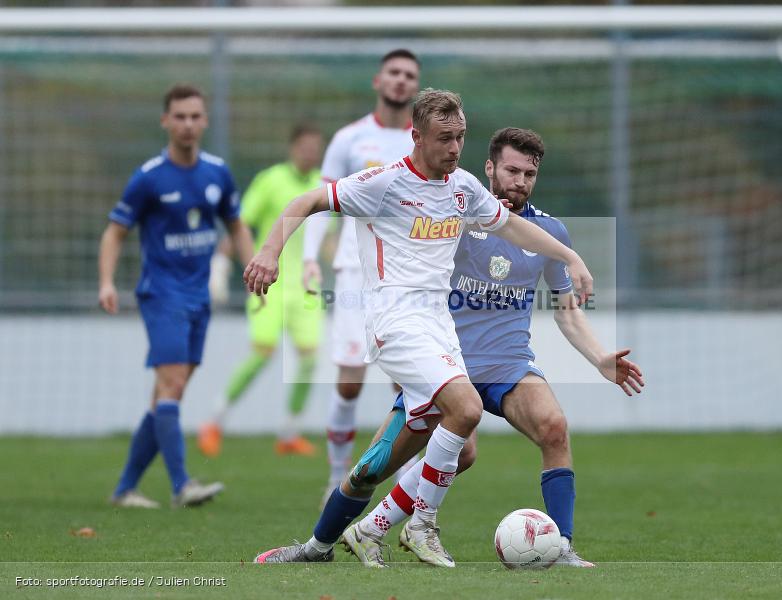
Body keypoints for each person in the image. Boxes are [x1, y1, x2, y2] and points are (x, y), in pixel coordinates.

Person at [245, 88, 593, 567]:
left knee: (378, 464)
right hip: (395, 322)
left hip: (438, 330)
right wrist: (269, 252)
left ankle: (322, 545)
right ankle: (422, 525)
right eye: (445, 138)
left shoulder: (463, 187)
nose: (454, 148)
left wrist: (569, 255)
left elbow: (511, 228)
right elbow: (306, 201)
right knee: (466, 409)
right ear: (417, 136)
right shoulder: (383, 183)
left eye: (461, 137)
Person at [341, 128, 644, 568]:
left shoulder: (549, 234)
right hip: (447, 361)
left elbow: (566, 311)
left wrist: (599, 357)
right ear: (489, 168)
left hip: (508, 365)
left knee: (554, 428)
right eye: (512, 170)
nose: (520, 180)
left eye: (529, 173)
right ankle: (367, 527)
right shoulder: (452, 219)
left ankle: (560, 548)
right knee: (442, 457)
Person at [99, 83, 255, 508]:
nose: (187, 124)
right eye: (179, 116)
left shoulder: (216, 172)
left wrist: (254, 269)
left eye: (194, 116)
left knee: (168, 393)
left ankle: (124, 489)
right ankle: (181, 485)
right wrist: (106, 282)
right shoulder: (149, 178)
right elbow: (115, 232)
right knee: (170, 385)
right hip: (162, 295)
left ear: (204, 121)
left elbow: (237, 225)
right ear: (166, 121)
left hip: (198, 297)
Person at [302, 49, 421, 497]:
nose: (400, 80)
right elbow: (319, 204)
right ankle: (336, 477)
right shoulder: (349, 139)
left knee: (409, 386)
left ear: (416, 86)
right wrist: (311, 257)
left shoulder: (421, 141)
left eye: (409, 75)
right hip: (355, 272)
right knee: (350, 381)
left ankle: (404, 486)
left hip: (407, 279)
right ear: (378, 80)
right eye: (394, 72)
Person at [198, 124, 325, 457]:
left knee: (311, 361)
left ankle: (289, 433)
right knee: (262, 353)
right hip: (270, 284)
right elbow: (241, 224)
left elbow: (330, 238)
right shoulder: (271, 180)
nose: (310, 153)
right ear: (293, 148)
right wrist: (220, 265)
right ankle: (215, 421)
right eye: (305, 146)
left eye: (316, 147)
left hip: (306, 291)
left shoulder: (323, 186)